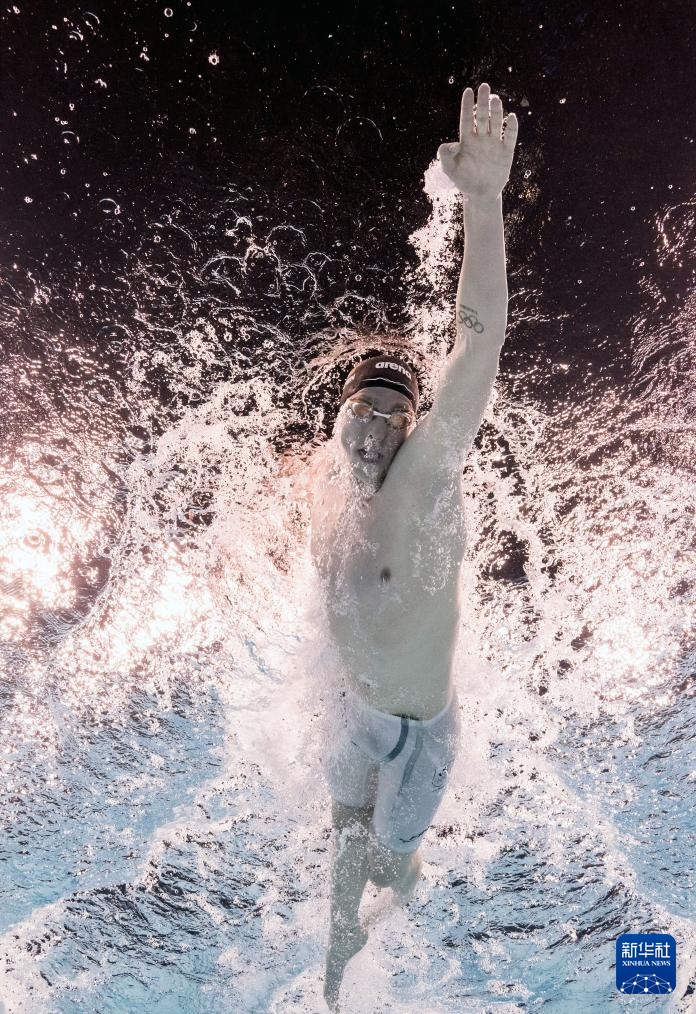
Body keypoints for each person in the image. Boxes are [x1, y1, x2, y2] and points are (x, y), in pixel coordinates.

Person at [311, 83, 519, 1010]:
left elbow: (478, 346)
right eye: (363, 409)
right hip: (354, 710)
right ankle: (336, 967)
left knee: (390, 864)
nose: (375, 432)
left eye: (396, 416)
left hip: (419, 735)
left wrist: (483, 201)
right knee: (341, 843)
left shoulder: (424, 476)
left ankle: (397, 908)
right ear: (338, 415)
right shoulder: (322, 484)